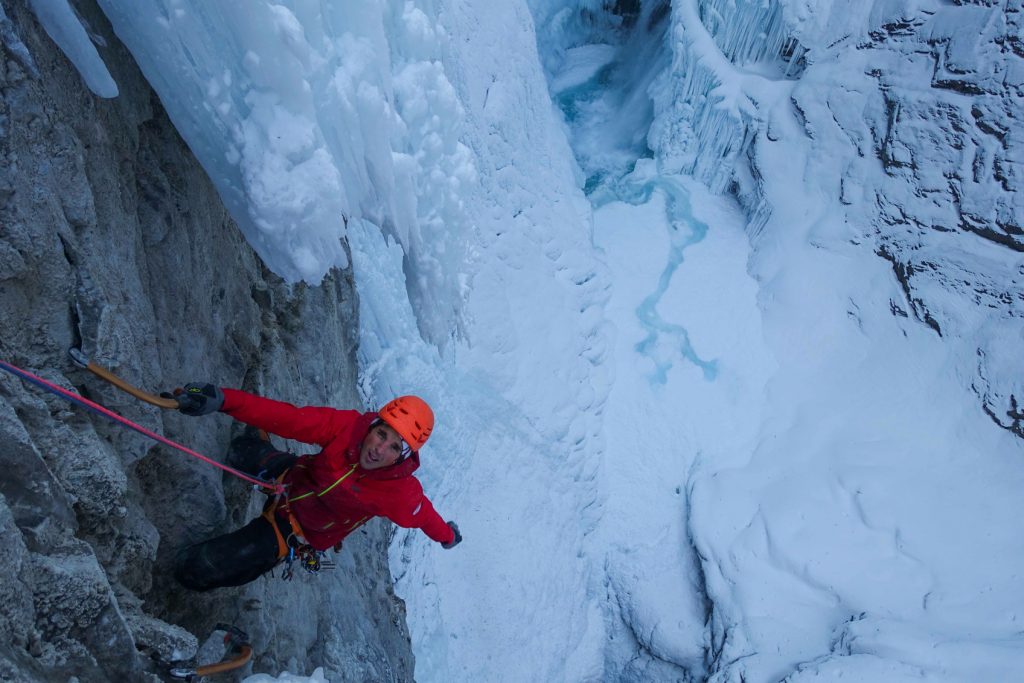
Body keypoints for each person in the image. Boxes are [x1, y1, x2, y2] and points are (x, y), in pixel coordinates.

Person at [171, 383, 461, 591]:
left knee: (195, 568)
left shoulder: (400, 493)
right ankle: (261, 451)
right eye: (381, 434)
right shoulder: (346, 428)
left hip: (297, 529)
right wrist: (222, 400)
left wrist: (447, 536)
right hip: (292, 479)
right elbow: (290, 419)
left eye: (394, 447)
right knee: (240, 449)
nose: (378, 449)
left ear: (403, 457)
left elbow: (426, 517)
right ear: (372, 426)